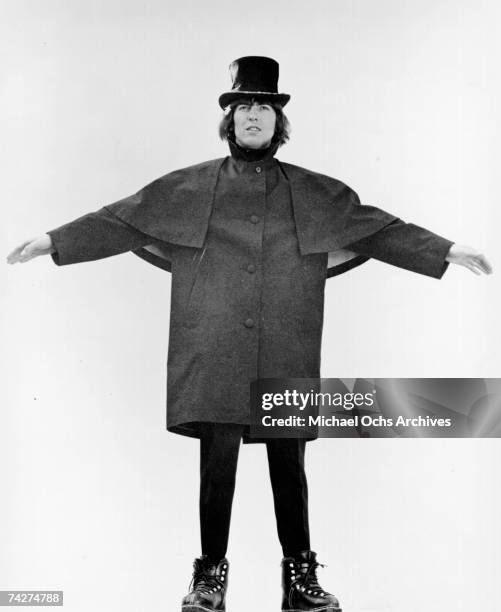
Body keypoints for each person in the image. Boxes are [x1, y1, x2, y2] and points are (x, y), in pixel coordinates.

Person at [7, 56, 492, 612]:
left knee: (290, 463)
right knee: (218, 462)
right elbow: (120, 220)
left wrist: (448, 251)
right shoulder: (185, 187)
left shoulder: (318, 193)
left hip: (287, 340)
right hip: (210, 346)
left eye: (264, 106)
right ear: (230, 120)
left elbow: (380, 229)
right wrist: (53, 241)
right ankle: (209, 576)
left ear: (278, 123)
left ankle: (301, 581)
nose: (254, 115)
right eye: (244, 107)